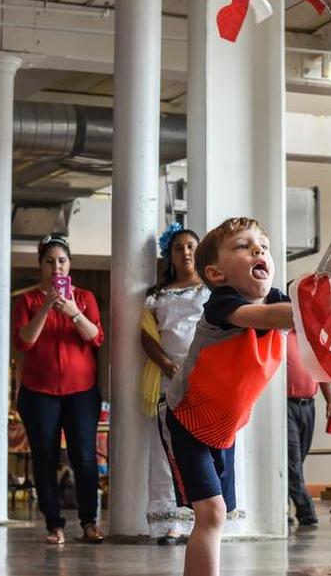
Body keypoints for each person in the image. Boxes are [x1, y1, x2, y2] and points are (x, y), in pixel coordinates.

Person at [162, 217, 331, 576]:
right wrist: (328, 307)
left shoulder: (278, 301)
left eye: (264, 247)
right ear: (216, 273)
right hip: (186, 419)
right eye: (243, 246)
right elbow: (271, 317)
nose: (258, 250)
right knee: (211, 513)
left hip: (223, 427)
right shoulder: (222, 305)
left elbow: (303, 319)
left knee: (218, 517)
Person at [13, 233, 106, 545]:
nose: (56, 267)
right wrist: (47, 306)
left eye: (62, 261)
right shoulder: (27, 301)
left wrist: (72, 312)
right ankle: (54, 525)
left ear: (70, 266)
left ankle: (89, 522)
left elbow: (96, 338)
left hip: (81, 390)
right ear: (40, 266)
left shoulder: (85, 298)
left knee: (83, 455)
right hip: (39, 391)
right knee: (45, 457)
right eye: (49, 262)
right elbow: (25, 340)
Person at [141, 224, 207, 544]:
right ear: (170, 255)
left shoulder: (210, 290)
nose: (185, 253)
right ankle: (171, 521)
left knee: (205, 447)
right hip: (170, 375)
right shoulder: (157, 295)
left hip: (206, 376)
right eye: (179, 248)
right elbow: (146, 335)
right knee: (167, 447)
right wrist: (166, 363)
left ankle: (204, 519)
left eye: (191, 247)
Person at [285, 330, 331, 527]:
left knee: (297, 460)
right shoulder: (280, 335)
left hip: (308, 405)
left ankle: (283, 509)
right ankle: (306, 510)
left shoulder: (312, 338)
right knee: (292, 460)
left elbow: (322, 371)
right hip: (285, 405)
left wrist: (330, 402)